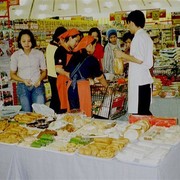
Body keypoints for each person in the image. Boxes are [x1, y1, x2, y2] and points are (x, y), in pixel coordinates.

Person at [57, 36, 108, 117]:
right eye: (94, 46)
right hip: (81, 89)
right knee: (83, 114)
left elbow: (68, 70)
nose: (94, 49)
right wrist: (107, 87)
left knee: (73, 114)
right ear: (89, 46)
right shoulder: (92, 59)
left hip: (70, 87)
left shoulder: (75, 55)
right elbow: (100, 77)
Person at [114, 10, 154, 115]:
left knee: (140, 114)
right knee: (144, 112)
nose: (128, 27)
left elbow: (140, 59)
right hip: (143, 80)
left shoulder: (138, 37)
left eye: (128, 24)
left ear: (132, 22)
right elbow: (140, 58)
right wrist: (128, 59)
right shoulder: (144, 36)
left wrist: (122, 55)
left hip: (139, 81)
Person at [10, 29, 47, 112]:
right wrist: (23, 80)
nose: (26, 43)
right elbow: (12, 74)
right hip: (22, 87)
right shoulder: (15, 56)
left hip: (37, 86)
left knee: (40, 111)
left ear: (32, 41)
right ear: (20, 42)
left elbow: (44, 71)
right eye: (24, 41)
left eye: (29, 41)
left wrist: (39, 80)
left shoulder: (39, 54)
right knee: (26, 112)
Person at [54, 28, 81, 113]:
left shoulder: (71, 50)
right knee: (64, 106)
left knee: (71, 106)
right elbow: (58, 69)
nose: (76, 44)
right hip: (63, 81)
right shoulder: (60, 50)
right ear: (69, 38)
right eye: (76, 41)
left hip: (70, 81)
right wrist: (68, 74)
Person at [45, 26, 67, 114]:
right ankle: (55, 115)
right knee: (57, 99)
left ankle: (52, 114)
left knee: (55, 97)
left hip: (51, 74)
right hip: (56, 75)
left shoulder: (49, 45)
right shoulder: (57, 48)